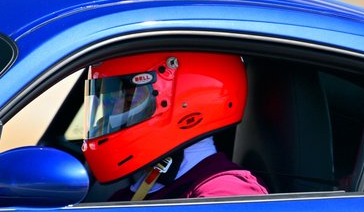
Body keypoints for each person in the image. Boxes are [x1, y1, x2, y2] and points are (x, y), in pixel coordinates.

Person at [81, 51, 268, 200]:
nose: (109, 117)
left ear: (185, 102)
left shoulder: (225, 194)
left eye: (128, 99)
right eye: (111, 102)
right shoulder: (126, 196)